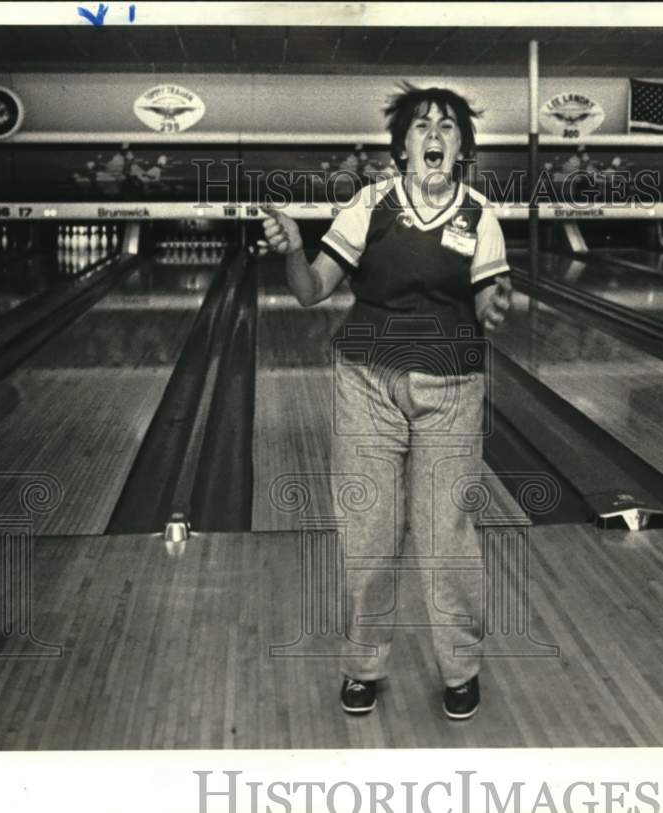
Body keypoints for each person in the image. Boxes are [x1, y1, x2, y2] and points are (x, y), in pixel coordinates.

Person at [258, 83, 512, 721]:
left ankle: (460, 670)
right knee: (369, 533)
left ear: (461, 147)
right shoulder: (369, 206)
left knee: (445, 536)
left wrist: (495, 305)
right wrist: (292, 251)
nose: (435, 134)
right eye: (423, 124)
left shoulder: (480, 214)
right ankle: (363, 666)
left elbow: (489, 295)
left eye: (449, 127)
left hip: (452, 388)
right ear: (403, 144)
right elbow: (313, 289)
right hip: (367, 383)